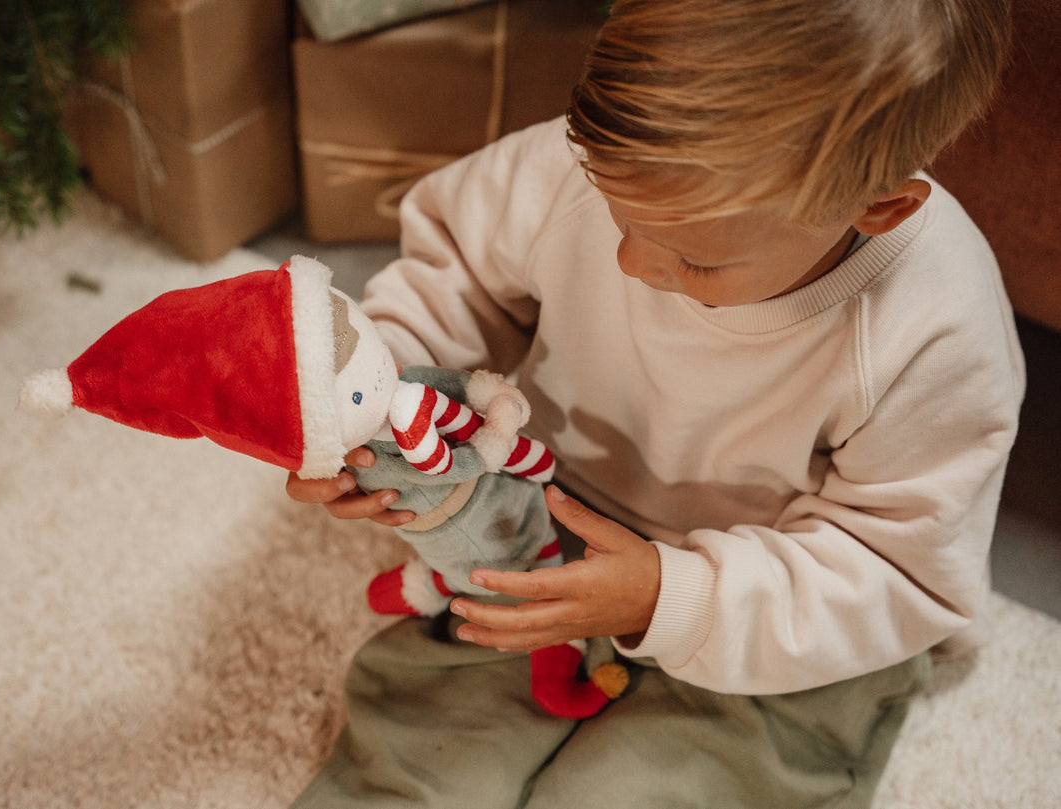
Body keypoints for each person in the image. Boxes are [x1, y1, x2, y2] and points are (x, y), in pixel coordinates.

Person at [285, 0, 1024, 806]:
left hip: (772, 615)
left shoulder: (936, 332)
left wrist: (674, 597)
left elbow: (892, 566)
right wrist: (371, 400)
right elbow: (454, 275)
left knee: (671, 782)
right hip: (540, 533)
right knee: (424, 740)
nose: (631, 260)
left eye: (695, 259)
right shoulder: (589, 166)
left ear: (877, 210)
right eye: (614, 205)